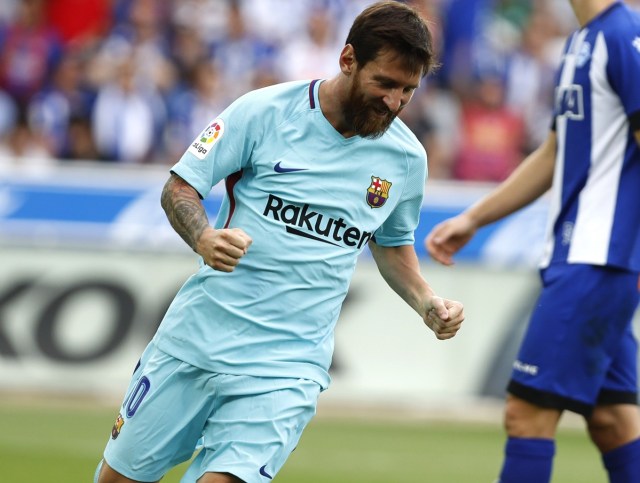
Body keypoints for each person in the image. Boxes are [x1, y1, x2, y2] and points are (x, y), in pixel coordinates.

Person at [95, 2, 465, 482]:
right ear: (348, 58)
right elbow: (180, 186)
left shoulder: (406, 159)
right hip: (198, 340)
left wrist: (426, 301)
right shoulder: (263, 111)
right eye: (386, 84)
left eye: (408, 91)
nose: (395, 103)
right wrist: (203, 236)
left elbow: (392, 245)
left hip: (287, 368)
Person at [425, 1, 640, 482]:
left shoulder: (626, 37)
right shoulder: (580, 41)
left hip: (597, 259)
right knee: (613, 421)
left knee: (526, 413)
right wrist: (475, 218)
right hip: (580, 256)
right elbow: (555, 150)